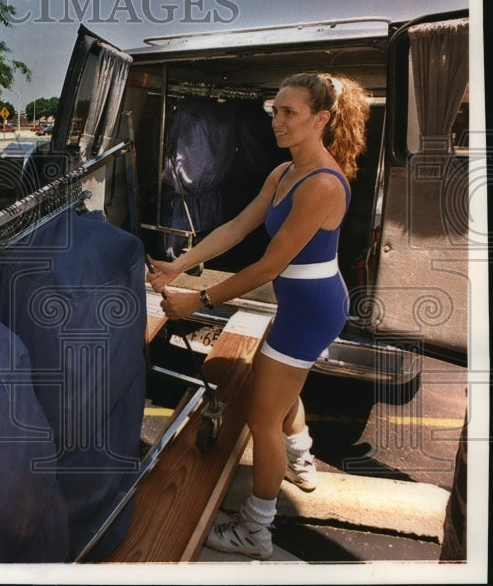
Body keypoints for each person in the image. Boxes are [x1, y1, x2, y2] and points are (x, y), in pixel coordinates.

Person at [146, 72, 368, 560]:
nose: (277, 121)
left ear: (321, 119)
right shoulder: (283, 173)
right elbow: (235, 227)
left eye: (290, 113)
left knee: (262, 415)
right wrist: (179, 264)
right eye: (276, 110)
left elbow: (270, 265)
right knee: (283, 388)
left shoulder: (322, 184)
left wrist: (198, 302)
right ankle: (301, 460)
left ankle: (255, 530)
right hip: (302, 304)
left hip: (312, 309)